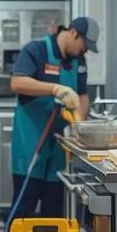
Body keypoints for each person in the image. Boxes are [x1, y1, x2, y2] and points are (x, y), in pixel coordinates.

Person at [7, 16, 99, 220]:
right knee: (24, 208)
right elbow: (17, 82)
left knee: (54, 211)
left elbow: (83, 95)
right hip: (31, 142)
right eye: (84, 46)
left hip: (58, 147)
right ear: (74, 34)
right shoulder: (36, 50)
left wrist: (79, 123)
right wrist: (55, 88)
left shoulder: (78, 61)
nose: (84, 52)